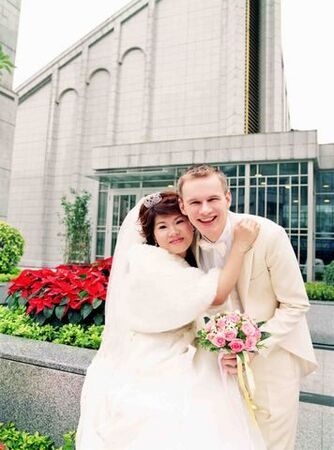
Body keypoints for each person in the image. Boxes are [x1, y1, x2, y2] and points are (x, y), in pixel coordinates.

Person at [76, 191, 265, 450]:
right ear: (152, 236)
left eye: (179, 222)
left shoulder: (176, 261)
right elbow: (217, 293)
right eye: (162, 227)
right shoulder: (151, 264)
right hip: (156, 364)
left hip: (170, 354)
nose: (173, 232)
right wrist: (241, 246)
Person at [178, 165, 318, 450]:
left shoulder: (269, 234)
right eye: (195, 202)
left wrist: (252, 346)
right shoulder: (186, 245)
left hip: (273, 361)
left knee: (272, 444)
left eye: (213, 199)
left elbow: (295, 303)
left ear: (228, 197)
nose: (205, 210)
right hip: (219, 368)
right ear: (183, 206)